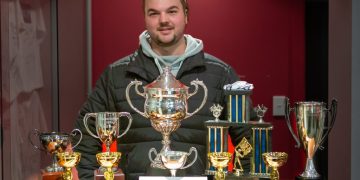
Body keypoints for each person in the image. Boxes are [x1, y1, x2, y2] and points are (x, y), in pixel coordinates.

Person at [73, 0, 254, 179]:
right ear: (145, 18)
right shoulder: (116, 75)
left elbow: (248, 141)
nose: (163, 20)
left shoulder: (221, 74)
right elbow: (86, 139)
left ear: (186, 15)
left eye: (172, 11)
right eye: (154, 13)